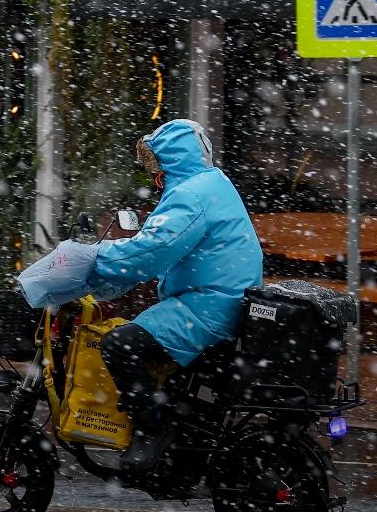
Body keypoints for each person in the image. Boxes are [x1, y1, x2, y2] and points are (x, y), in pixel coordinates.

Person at [88, 119, 263, 472]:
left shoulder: (190, 196)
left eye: (157, 168)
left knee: (120, 344)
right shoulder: (214, 184)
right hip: (221, 300)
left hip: (207, 305)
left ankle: (152, 430)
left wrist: (93, 259)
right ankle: (176, 447)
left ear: (172, 160)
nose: (156, 179)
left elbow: (151, 250)